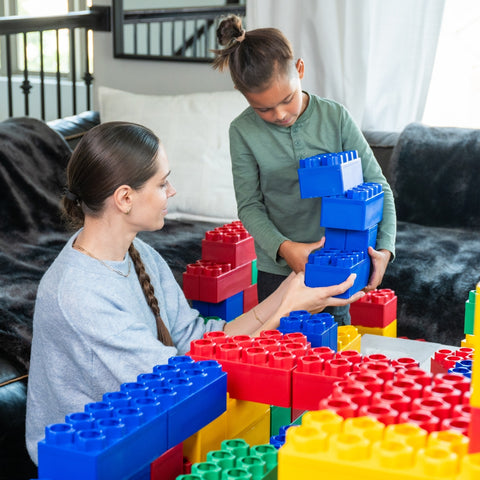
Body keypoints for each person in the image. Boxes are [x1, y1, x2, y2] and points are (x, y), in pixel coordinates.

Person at [25, 121, 364, 465]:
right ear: (125, 198)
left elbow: (198, 342)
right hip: (97, 462)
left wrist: (289, 292)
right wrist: (283, 310)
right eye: (162, 183)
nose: (171, 191)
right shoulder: (79, 295)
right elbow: (178, 385)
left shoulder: (141, 255)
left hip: (149, 437)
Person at [212, 15, 396, 326]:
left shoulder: (335, 117)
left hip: (340, 262)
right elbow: (249, 206)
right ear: (243, 95)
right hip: (279, 269)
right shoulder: (242, 131)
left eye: (287, 99)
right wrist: (286, 249)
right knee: (280, 353)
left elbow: (377, 185)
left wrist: (385, 250)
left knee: (332, 351)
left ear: (299, 69)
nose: (280, 114)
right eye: (264, 109)